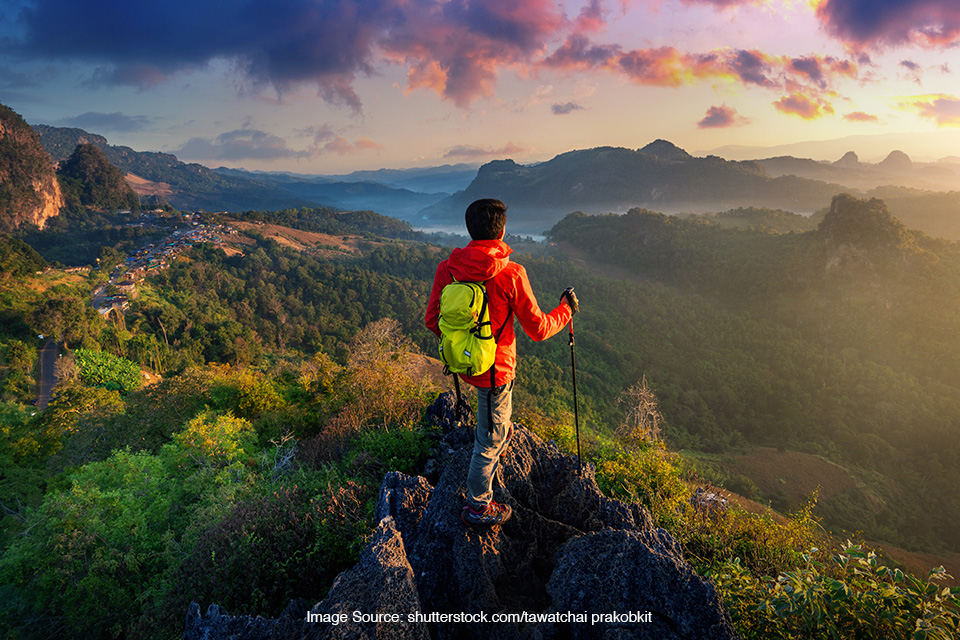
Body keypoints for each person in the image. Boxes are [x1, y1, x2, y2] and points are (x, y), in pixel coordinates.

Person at [425, 198, 578, 527]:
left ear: (470, 229)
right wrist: (565, 310)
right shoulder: (512, 273)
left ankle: (498, 434)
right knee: (487, 441)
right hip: (497, 371)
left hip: (466, 365)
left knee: (493, 422)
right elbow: (537, 329)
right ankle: (478, 507)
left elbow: (432, 319)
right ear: (502, 230)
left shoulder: (448, 269)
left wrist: (463, 345)